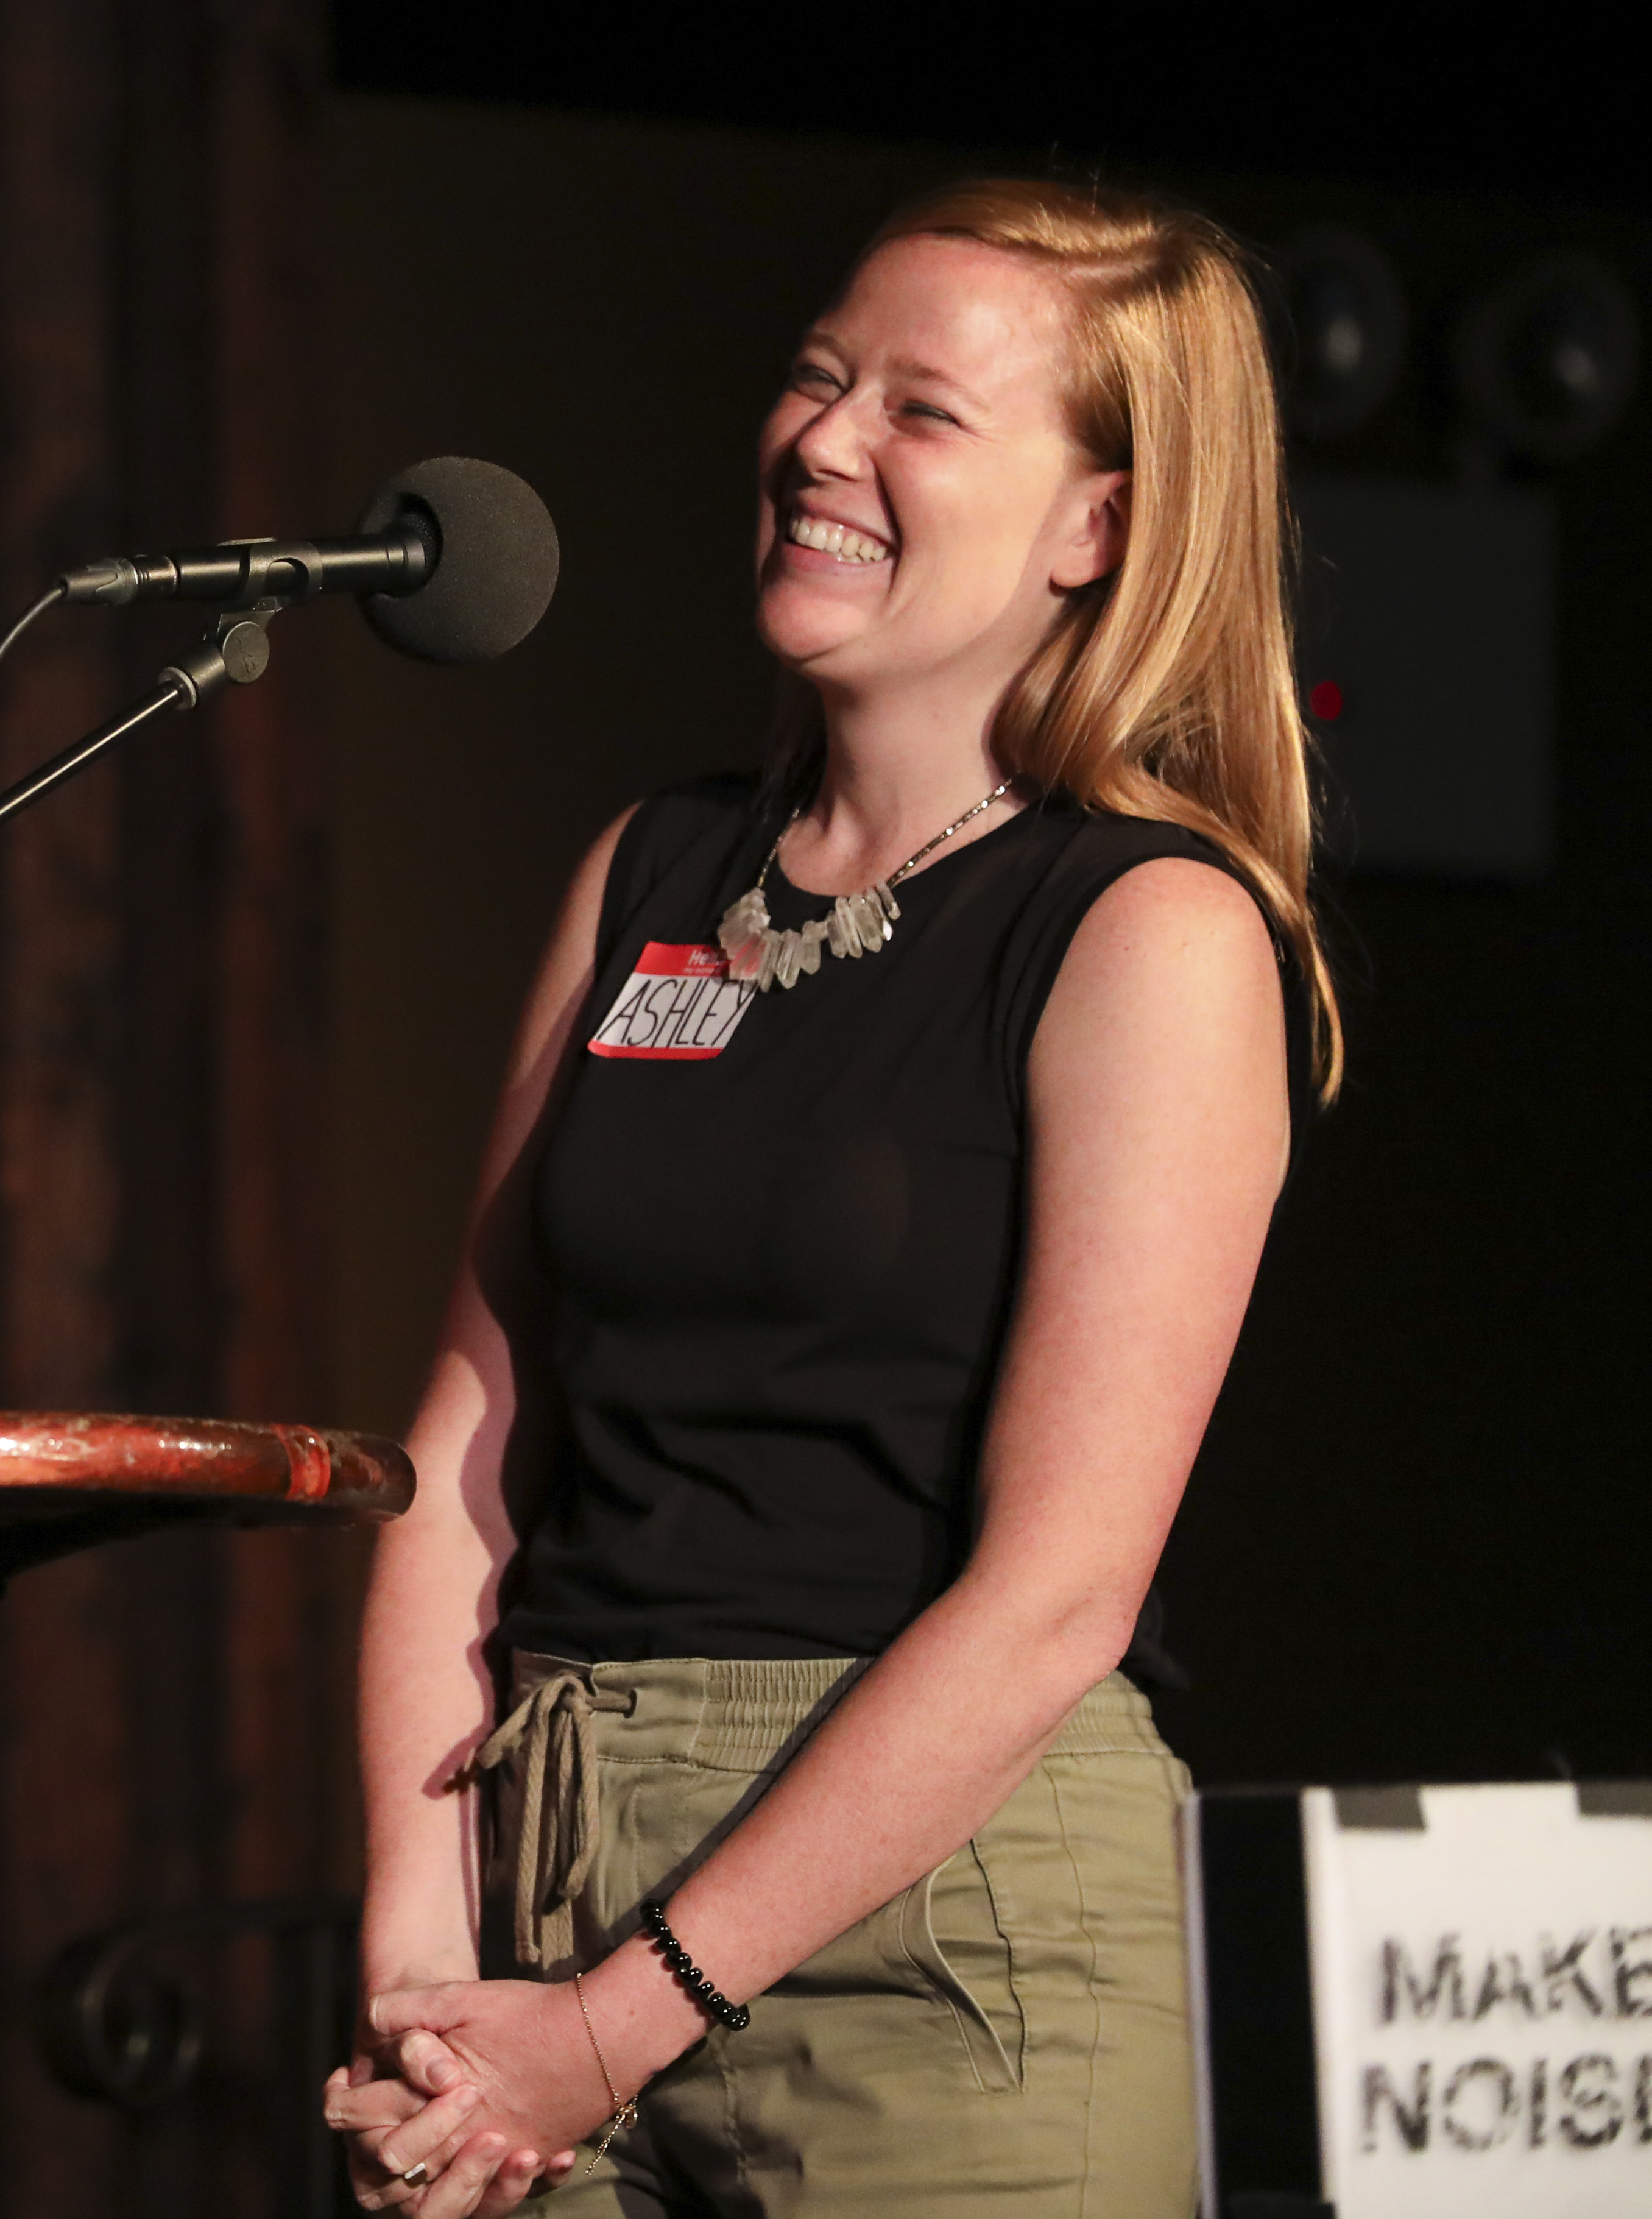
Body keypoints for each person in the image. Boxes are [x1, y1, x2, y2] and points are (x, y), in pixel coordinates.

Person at [329, 179, 1335, 2216]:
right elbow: (465, 1447)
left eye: (922, 411)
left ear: (1099, 525)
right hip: (538, 1873)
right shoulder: (650, 868)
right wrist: (420, 1953)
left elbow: (1060, 1594)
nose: (822, 440)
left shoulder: (1149, 928)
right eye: (816, 376)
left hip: (939, 1929)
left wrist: (624, 2012)